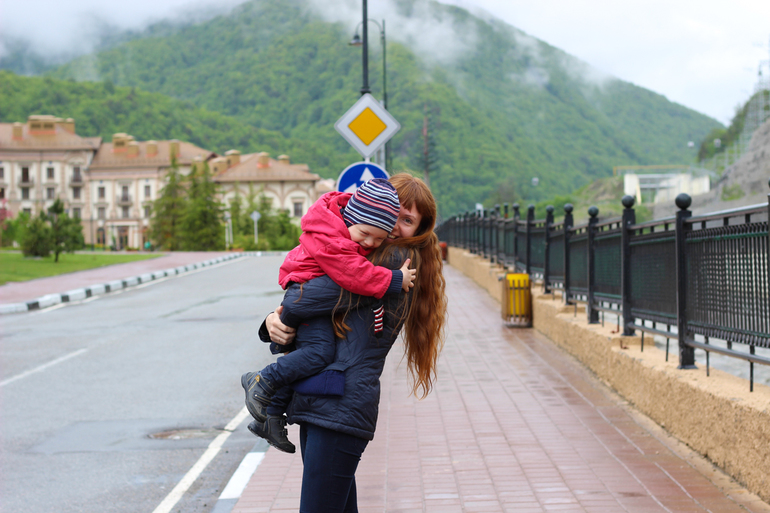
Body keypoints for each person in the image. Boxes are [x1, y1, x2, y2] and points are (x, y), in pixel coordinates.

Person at [259, 173, 447, 512]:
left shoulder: (392, 263)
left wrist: (279, 315)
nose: (394, 225)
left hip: (338, 403)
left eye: (407, 220)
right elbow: (315, 300)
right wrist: (273, 321)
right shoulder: (363, 256)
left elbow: (306, 297)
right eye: (394, 212)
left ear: (420, 230)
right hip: (326, 400)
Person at [241, 178, 417, 453]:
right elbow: (353, 274)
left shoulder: (344, 232)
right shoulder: (334, 239)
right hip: (304, 284)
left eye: (379, 238)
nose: (371, 242)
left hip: (307, 291)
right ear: (350, 220)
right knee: (318, 352)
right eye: (365, 233)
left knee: (306, 355)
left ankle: (272, 413)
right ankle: (263, 380)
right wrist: (394, 279)